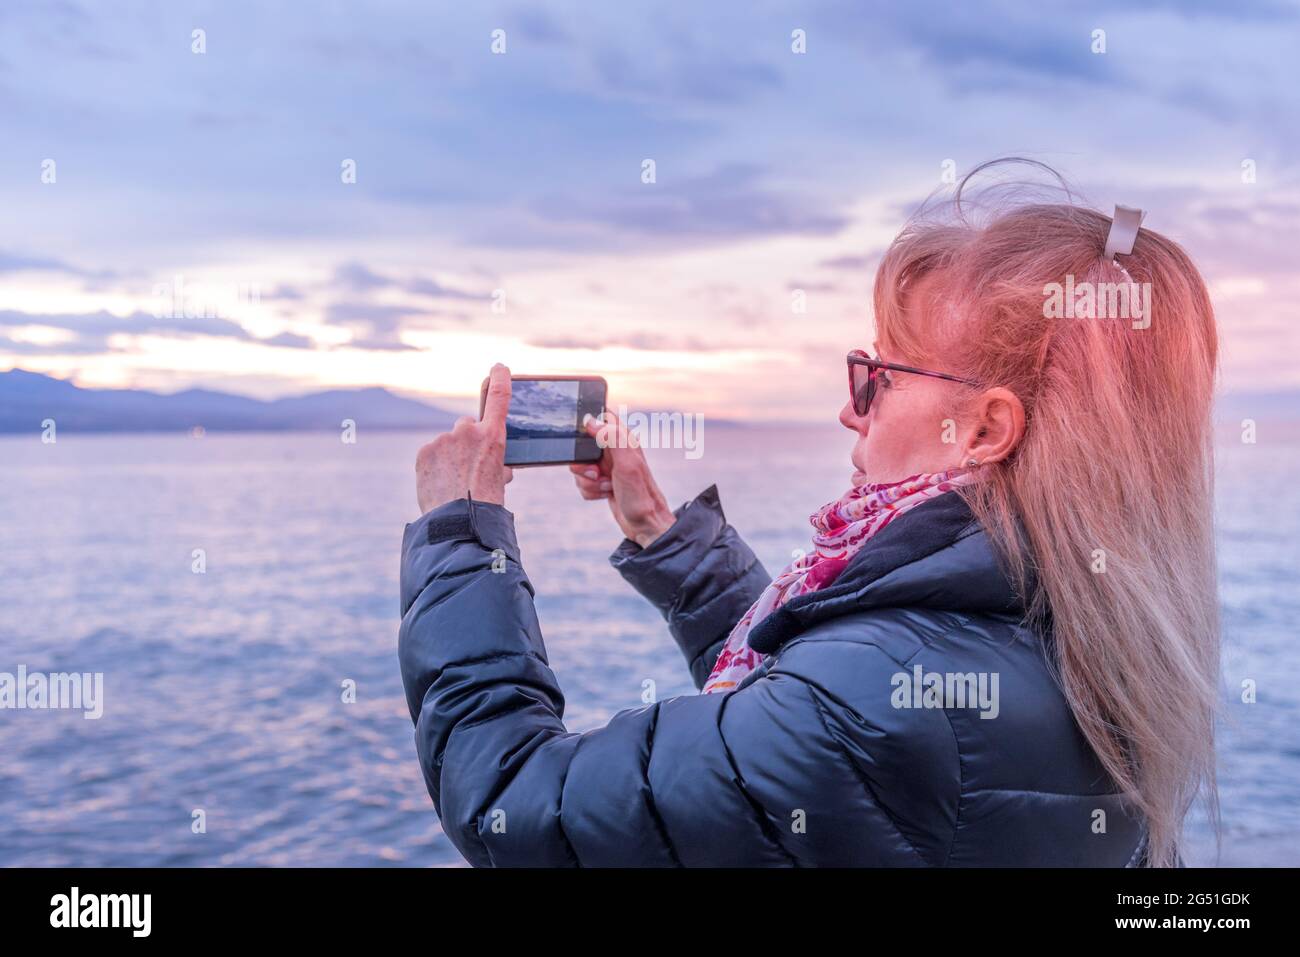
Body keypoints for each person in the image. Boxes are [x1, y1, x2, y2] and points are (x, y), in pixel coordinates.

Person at [398, 164, 1219, 867]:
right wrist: (656, 527)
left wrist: (461, 536)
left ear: (984, 430)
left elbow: (511, 803)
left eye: (879, 376)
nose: (849, 409)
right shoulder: (1088, 614)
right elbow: (799, 709)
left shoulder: (880, 698)